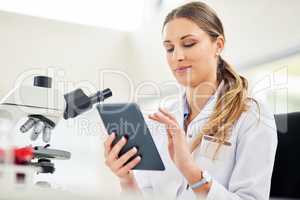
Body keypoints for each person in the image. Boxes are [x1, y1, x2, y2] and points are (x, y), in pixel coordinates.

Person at [103, 1, 277, 199]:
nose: (177, 56)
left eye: (189, 44)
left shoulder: (253, 115)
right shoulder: (160, 117)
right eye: (169, 48)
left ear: (218, 45)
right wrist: (126, 179)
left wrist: (190, 171)